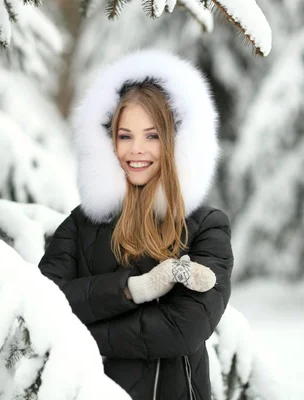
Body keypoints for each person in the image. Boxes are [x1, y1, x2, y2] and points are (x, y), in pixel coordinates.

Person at [38, 49, 233, 400]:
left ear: (176, 142)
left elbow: (182, 330)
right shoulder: (81, 224)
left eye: (153, 135)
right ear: (107, 142)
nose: (136, 150)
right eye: (125, 135)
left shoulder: (207, 227)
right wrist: (134, 289)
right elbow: (44, 304)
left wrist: (83, 333)